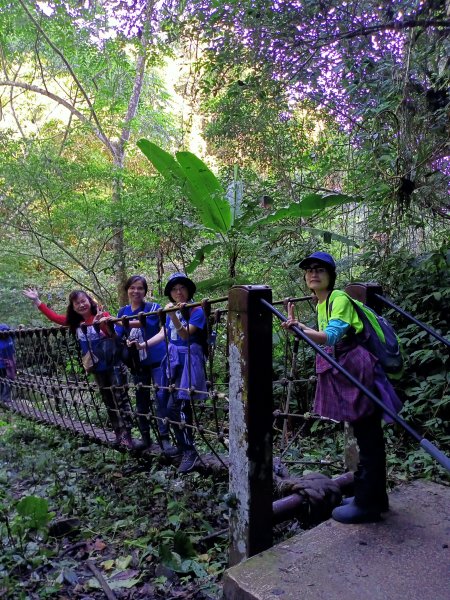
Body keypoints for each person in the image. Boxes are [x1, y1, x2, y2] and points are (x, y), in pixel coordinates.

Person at [282, 251, 402, 524]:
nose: (314, 273)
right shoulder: (321, 303)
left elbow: (332, 336)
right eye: (309, 269)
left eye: (320, 270)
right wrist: (302, 326)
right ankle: (371, 495)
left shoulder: (338, 299)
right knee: (365, 434)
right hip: (347, 370)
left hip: (359, 369)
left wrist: (300, 328)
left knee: (368, 435)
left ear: (330, 276)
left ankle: (368, 504)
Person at [24, 287, 136, 449]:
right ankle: (119, 434)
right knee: (108, 400)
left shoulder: (102, 315)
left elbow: (113, 336)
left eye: (83, 301)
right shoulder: (75, 323)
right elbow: (54, 317)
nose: (81, 305)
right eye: (77, 303)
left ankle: (128, 435)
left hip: (113, 364)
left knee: (121, 399)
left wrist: (101, 323)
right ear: (73, 306)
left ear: (89, 301)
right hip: (97, 368)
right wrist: (36, 300)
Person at [132, 273, 207, 474]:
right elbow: (165, 333)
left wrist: (172, 314)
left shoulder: (196, 310)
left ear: (189, 290)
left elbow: (184, 333)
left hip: (189, 362)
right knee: (168, 406)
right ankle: (184, 447)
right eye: (174, 289)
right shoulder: (178, 310)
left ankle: (190, 451)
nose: (178, 292)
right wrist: (142, 345)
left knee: (177, 406)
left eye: (182, 288)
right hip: (173, 361)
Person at [115, 275, 175, 452]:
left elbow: (149, 325)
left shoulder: (154, 308)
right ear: (127, 290)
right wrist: (108, 324)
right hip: (137, 363)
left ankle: (165, 439)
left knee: (161, 399)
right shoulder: (122, 312)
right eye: (132, 288)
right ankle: (145, 437)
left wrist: (122, 322)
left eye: (140, 288)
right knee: (141, 401)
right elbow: (119, 334)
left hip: (157, 360)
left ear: (145, 291)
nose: (136, 291)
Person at [0, 324, 16, 403]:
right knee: (1, 380)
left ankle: (5, 397)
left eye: (7, 331)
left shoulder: (10, 336)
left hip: (10, 361)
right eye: (3, 331)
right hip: (1, 362)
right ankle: (1, 397)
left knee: (11, 378)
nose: (5, 333)